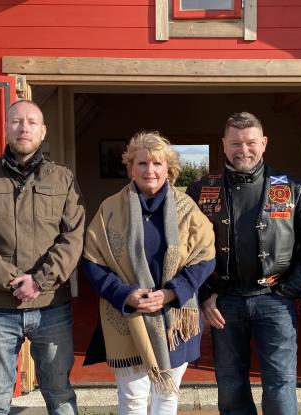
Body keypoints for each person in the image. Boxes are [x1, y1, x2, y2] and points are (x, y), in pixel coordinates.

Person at [187, 112, 301, 415]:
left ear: (263, 143)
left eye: (250, 142)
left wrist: (293, 286)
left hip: (275, 299)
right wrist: (204, 293)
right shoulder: (200, 190)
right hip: (223, 300)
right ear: (224, 145)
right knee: (231, 383)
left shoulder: (291, 188)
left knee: (280, 383)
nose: (243, 150)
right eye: (235, 143)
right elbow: (186, 248)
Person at [0, 100, 84, 414]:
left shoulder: (62, 178)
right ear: (6, 128)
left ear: (43, 131)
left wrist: (39, 282)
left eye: (31, 122)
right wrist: (12, 280)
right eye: (16, 121)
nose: (23, 128)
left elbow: (73, 238)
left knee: (60, 394)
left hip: (51, 305)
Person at [82, 132, 216, 415]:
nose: (150, 170)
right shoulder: (109, 209)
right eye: (142, 163)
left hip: (175, 321)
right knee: (132, 401)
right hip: (127, 317)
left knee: (166, 397)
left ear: (169, 168)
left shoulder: (187, 209)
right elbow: (93, 262)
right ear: (131, 167)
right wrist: (125, 294)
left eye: (157, 163)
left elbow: (205, 257)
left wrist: (171, 292)